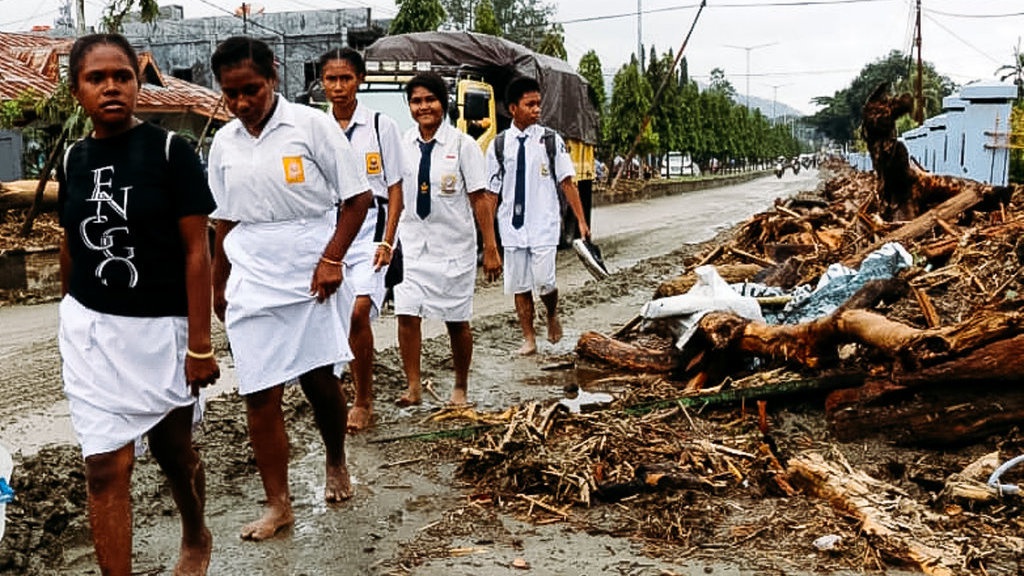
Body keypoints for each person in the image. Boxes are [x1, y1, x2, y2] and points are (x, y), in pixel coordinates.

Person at [56, 33, 219, 575]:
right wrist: (69, 311)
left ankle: (195, 530)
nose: (110, 88)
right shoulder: (74, 158)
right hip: (92, 333)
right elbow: (71, 241)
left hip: (160, 333)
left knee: (175, 453)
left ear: (137, 81)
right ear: (77, 88)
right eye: (96, 78)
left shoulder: (172, 152)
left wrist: (201, 344)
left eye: (121, 76)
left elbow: (199, 251)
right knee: (104, 467)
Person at [207, 36, 372, 541]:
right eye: (230, 94)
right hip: (252, 274)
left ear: (272, 77)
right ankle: (279, 504)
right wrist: (220, 283)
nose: (240, 104)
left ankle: (336, 461)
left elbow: (358, 200)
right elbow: (223, 220)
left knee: (319, 379)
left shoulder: (312, 126)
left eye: (250, 91)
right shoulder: (224, 143)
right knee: (257, 391)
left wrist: (331, 259)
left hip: (310, 270)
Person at [394, 72, 501, 406]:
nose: (423, 107)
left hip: (454, 246)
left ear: (443, 103)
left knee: (456, 319)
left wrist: (491, 248)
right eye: (416, 101)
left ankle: (460, 387)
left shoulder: (463, 145)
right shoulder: (401, 144)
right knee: (407, 314)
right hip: (411, 244)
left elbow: (480, 199)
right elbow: (394, 193)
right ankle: (413, 386)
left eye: (430, 99)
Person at [319, 48, 405, 432]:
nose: (338, 87)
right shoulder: (315, 127)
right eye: (331, 79)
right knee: (332, 313)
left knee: (358, 312)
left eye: (346, 79)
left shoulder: (380, 125)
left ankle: (364, 399)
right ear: (321, 83)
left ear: (360, 80)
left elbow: (396, 188)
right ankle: (333, 385)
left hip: (372, 225)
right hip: (332, 228)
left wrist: (388, 240)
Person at [485, 76, 589, 356]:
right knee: (519, 285)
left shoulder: (550, 141)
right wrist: (488, 237)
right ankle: (529, 338)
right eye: (530, 105)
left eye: (538, 104)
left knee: (545, 281)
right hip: (511, 226)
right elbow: (491, 194)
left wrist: (580, 220)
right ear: (512, 109)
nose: (536, 110)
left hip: (543, 223)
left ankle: (552, 312)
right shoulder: (498, 146)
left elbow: (568, 181)